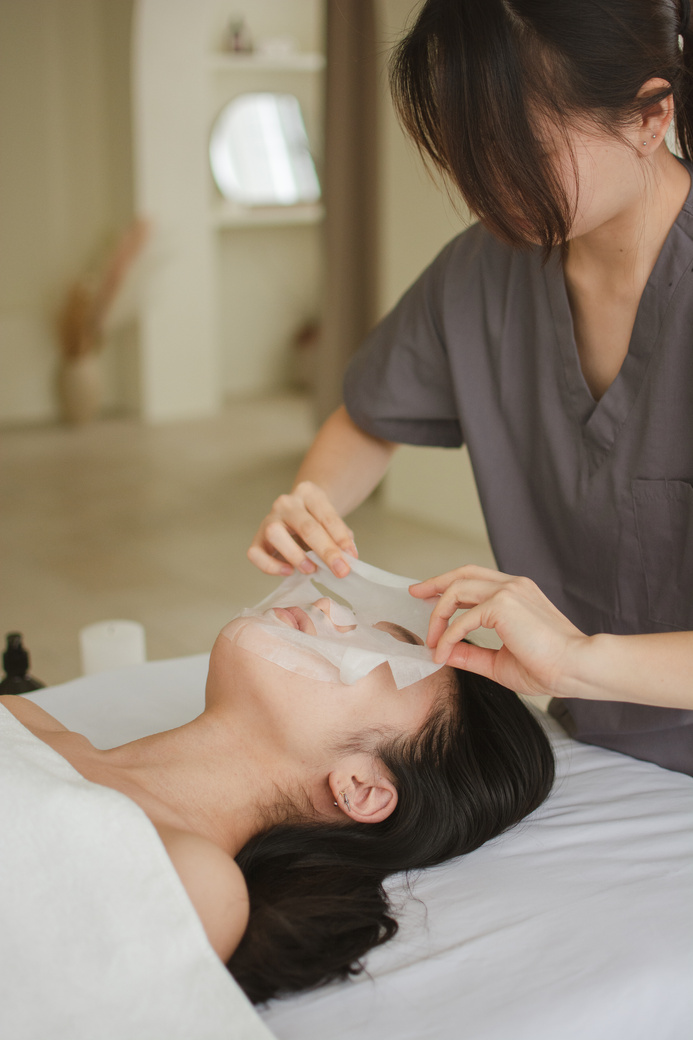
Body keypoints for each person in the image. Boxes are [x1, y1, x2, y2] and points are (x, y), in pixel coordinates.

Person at [248, 0, 693, 777]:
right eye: (465, 153)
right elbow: (370, 414)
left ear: (649, 117)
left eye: (518, 150)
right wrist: (311, 499)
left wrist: (575, 661)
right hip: (596, 753)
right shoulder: (481, 273)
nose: (485, 189)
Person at [0, 594, 554, 1005]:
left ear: (360, 788)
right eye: (359, 622)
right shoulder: (24, 718)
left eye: (382, 651)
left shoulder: (189, 881)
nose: (328, 607)